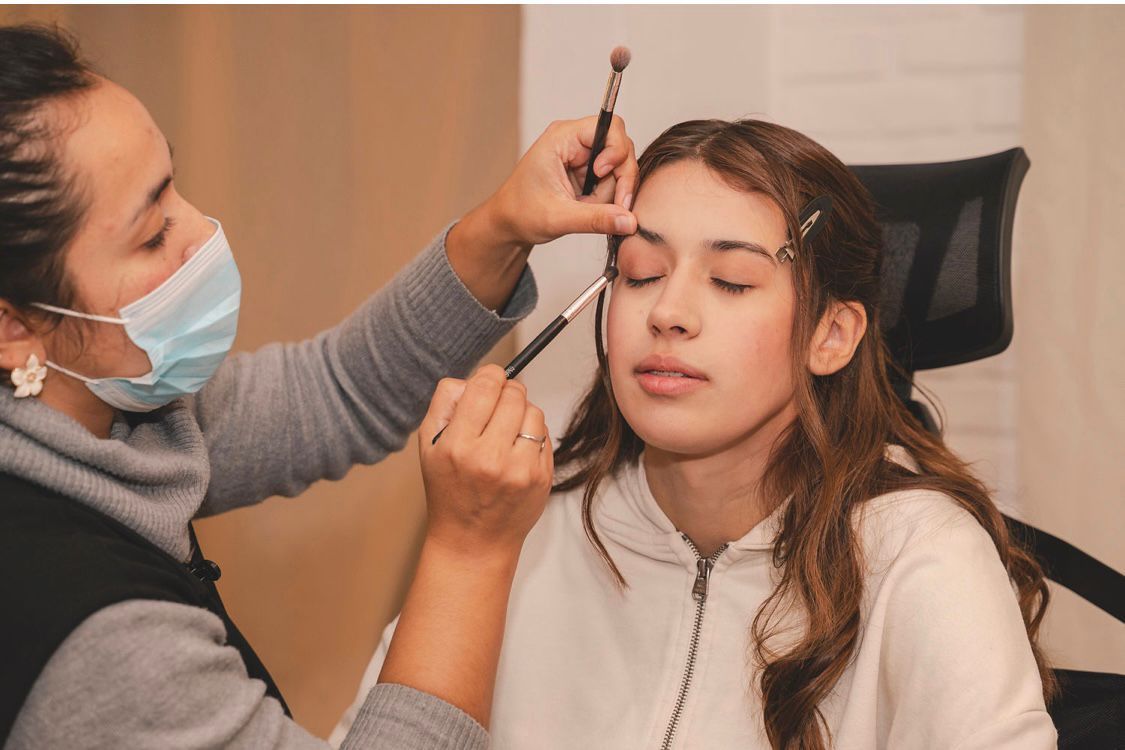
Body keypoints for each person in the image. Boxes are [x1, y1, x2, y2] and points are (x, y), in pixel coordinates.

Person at [0, 24, 639, 750]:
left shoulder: (106, 412)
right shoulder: (97, 644)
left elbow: (337, 390)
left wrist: (501, 228)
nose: (201, 232)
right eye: (150, 236)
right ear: (14, 326)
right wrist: (469, 550)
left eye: (173, 187)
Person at [339, 118, 1059, 749]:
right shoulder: (515, 524)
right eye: (641, 273)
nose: (668, 313)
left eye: (733, 282)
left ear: (831, 335)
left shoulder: (918, 555)